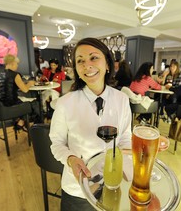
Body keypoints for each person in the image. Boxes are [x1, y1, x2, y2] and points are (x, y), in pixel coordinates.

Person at [49, 38, 132, 211]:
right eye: (80, 61)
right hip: (78, 188)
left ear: (108, 64)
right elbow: (56, 142)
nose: (87, 65)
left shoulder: (122, 100)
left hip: (113, 182)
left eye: (94, 58)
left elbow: (125, 138)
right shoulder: (65, 103)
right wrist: (70, 159)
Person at [0, 54, 36, 128]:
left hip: (2, 104)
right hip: (13, 103)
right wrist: (30, 83)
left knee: (24, 101)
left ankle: (19, 121)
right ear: (12, 63)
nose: (17, 66)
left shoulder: (0, 75)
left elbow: (2, 88)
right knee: (34, 104)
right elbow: (25, 90)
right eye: (17, 64)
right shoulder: (15, 74)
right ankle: (22, 124)